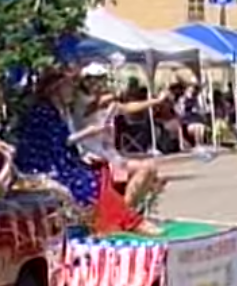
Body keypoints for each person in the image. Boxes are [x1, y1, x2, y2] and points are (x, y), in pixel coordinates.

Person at [14, 66, 155, 235]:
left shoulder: (58, 110)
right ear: (56, 89)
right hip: (46, 165)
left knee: (103, 174)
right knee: (92, 180)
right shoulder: (45, 112)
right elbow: (54, 144)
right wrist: (91, 133)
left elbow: (63, 143)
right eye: (69, 86)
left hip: (66, 159)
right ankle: (124, 221)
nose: (72, 91)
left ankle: (123, 218)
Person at [69, 64, 167, 210]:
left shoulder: (105, 101)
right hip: (92, 158)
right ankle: (125, 213)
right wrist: (118, 93)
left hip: (110, 155)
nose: (97, 83)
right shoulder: (80, 100)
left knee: (151, 172)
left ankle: (127, 211)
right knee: (145, 170)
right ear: (85, 81)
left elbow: (127, 107)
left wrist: (156, 101)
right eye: (93, 79)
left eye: (100, 79)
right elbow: (95, 105)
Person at [176, 83, 208, 150]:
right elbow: (180, 111)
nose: (191, 92)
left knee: (201, 127)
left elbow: (201, 110)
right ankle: (197, 145)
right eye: (189, 91)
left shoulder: (196, 99)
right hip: (188, 121)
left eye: (192, 90)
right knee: (196, 127)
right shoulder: (182, 100)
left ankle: (200, 144)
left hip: (196, 119)